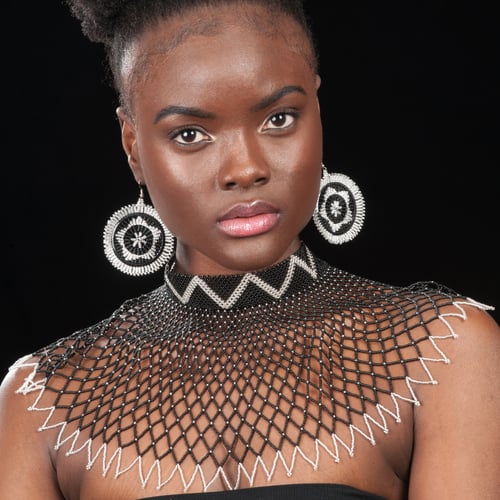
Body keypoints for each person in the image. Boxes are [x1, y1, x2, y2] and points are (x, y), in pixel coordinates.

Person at [1, 1, 499, 498]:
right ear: (133, 146)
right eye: (190, 134)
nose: (245, 168)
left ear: (317, 112)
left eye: (279, 118)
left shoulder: (441, 350)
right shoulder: (42, 400)